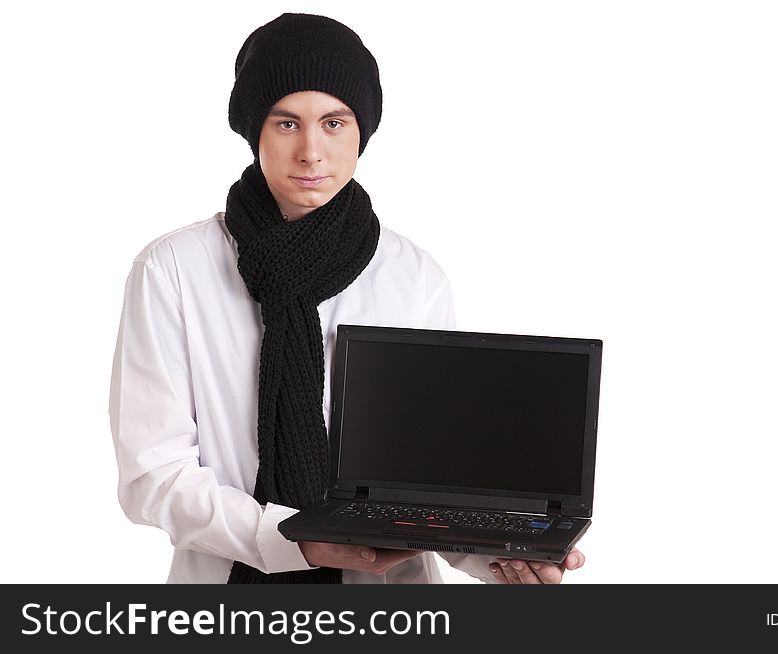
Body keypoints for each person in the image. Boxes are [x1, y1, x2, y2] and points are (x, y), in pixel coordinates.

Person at [109, 12, 585, 584]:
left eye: (334, 123)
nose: (311, 151)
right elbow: (152, 474)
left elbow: (430, 477)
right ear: (253, 130)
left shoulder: (413, 276)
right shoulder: (174, 269)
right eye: (287, 124)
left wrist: (501, 555)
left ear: (362, 132)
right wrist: (294, 542)